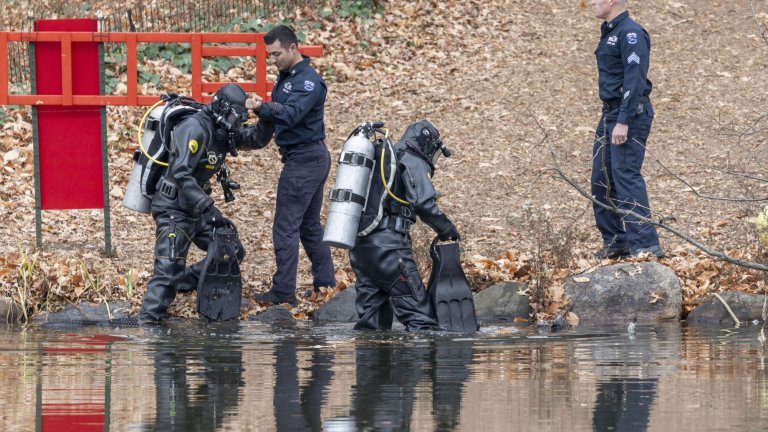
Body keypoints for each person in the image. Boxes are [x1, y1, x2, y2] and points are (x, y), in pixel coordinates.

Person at [139, 83, 266, 323]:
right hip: (173, 207)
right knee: (167, 271)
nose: (236, 123)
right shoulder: (194, 128)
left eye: (239, 119)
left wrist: (265, 115)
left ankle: (185, 281)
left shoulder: (223, 129)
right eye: (234, 117)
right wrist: (208, 206)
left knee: (232, 250)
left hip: (197, 208)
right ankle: (148, 323)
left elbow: (255, 139)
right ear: (221, 108)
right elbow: (181, 173)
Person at [242, 25, 336, 307]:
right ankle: (326, 284)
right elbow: (274, 118)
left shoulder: (308, 81)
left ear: (294, 47)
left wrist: (262, 108)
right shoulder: (285, 79)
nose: (273, 60)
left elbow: (292, 114)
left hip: (305, 159)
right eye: (270, 55)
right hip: (306, 158)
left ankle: (283, 291)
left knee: (286, 226)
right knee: (308, 226)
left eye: (277, 54)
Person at [349, 120, 459, 331]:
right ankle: (417, 364)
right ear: (427, 144)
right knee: (421, 320)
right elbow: (424, 202)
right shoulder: (412, 159)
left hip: (361, 249)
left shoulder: (380, 156)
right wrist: (447, 230)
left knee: (371, 326)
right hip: (390, 250)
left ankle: (370, 361)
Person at [590, 0, 664, 259]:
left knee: (625, 177)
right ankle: (616, 242)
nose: (591, 3)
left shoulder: (631, 33)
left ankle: (645, 245)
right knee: (601, 179)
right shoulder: (610, 30)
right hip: (610, 113)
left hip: (629, 115)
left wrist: (624, 120)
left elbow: (635, 77)